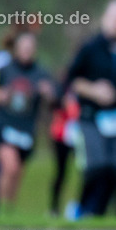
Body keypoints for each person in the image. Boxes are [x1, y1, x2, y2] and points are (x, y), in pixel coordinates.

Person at [67, 0, 116, 217]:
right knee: (96, 166)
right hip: (92, 117)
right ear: (105, 19)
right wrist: (93, 90)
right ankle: (81, 209)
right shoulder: (90, 47)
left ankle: (99, 213)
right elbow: (72, 80)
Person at [0, 31, 56, 212]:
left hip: (26, 129)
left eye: (30, 48)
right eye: (23, 47)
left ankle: (8, 208)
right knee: (10, 167)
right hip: (4, 125)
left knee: (18, 171)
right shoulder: (5, 69)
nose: (27, 51)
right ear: (17, 49)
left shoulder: (41, 73)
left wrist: (48, 93)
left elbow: (55, 99)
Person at [48, 89, 80, 217]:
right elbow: (52, 105)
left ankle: (77, 207)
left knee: (83, 172)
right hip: (61, 136)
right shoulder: (62, 89)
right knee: (61, 173)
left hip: (79, 135)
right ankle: (54, 207)